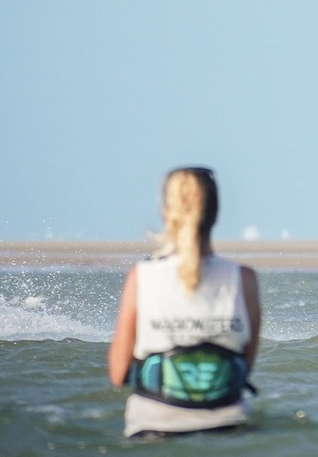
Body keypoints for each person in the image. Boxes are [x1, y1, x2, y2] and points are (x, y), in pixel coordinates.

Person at [108, 167, 262, 438]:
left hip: (154, 427)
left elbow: (118, 373)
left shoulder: (142, 277)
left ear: (166, 214)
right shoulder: (244, 279)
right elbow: (245, 367)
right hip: (228, 426)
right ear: (214, 215)